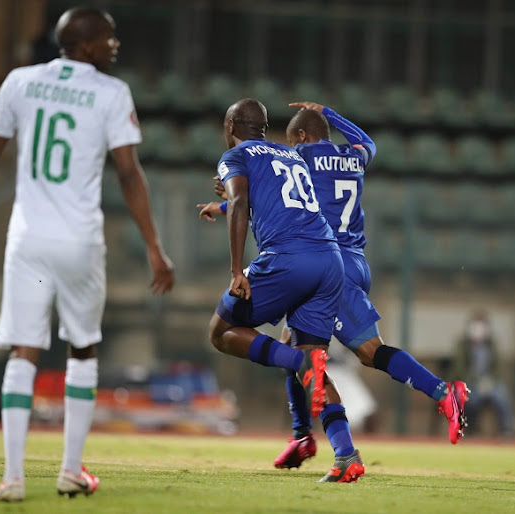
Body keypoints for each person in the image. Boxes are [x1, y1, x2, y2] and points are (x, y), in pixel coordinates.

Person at [0, 7, 175, 502]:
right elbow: (128, 173)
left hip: (28, 242)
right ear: (89, 45)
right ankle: (71, 470)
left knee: (23, 350)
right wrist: (154, 246)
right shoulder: (110, 93)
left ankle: (12, 478)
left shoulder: (21, 81)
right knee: (82, 347)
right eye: (110, 38)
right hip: (78, 244)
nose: (115, 45)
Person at [200, 102, 469, 467]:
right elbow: (367, 143)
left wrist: (228, 202)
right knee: (299, 347)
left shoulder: (301, 155)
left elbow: (269, 194)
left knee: (345, 355)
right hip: (348, 260)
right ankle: (312, 441)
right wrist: (330, 112)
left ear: (301, 136)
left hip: (319, 259)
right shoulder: (353, 156)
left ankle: (438, 391)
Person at [199, 98, 363, 483]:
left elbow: (241, 202)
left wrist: (237, 270)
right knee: (313, 359)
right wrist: (227, 203)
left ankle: (299, 364)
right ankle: (346, 456)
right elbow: (283, 200)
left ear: (230, 127)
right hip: (329, 260)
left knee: (220, 332)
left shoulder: (236, 155)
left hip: (289, 259)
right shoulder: (291, 154)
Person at [452, 310, 514, 438]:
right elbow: (459, 369)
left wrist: (489, 381)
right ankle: (471, 429)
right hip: (470, 384)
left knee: (501, 394)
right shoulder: (462, 345)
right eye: (475, 326)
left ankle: (507, 430)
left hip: (489, 384)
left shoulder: (491, 345)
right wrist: (475, 381)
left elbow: (497, 368)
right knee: (470, 399)